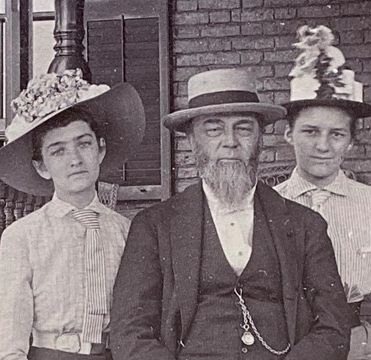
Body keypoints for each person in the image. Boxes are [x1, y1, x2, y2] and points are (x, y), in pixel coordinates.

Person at [109, 68, 357, 360]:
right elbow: (129, 331)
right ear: (192, 141)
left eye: (243, 128)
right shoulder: (154, 226)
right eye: (214, 129)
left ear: (260, 138)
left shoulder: (306, 225)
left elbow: (334, 326)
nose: (230, 141)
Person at [274, 25, 371, 360]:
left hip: (357, 348)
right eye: (310, 131)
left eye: (337, 135)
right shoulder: (267, 204)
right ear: (288, 134)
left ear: (351, 141)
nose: (322, 146)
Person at [0, 69, 145, 360]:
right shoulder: (23, 236)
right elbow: (11, 324)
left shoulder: (127, 231)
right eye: (58, 151)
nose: (75, 160)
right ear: (41, 167)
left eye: (83, 144)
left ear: (100, 150)